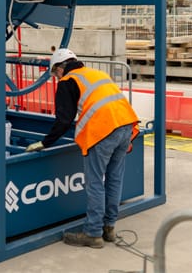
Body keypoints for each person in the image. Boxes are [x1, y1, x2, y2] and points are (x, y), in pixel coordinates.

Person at [25, 48, 139, 248]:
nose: (57, 77)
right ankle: (109, 228)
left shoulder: (68, 81)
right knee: (114, 179)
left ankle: (93, 233)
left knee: (95, 183)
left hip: (103, 131)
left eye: (55, 73)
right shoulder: (97, 74)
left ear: (61, 67)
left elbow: (64, 120)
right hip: (126, 125)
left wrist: (46, 142)